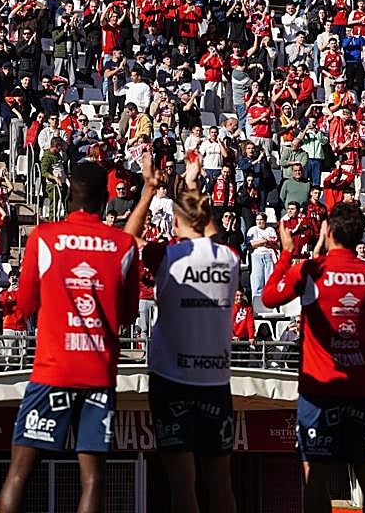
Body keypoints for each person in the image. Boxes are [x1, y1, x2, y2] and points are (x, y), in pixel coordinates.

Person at [0, 161, 140, 513]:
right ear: (106, 198)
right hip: (98, 373)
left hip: (53, 369)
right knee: (93, 480)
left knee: (19, 473)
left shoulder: (44, 237)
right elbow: (128, 315)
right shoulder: (123, 245)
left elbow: (24, 304)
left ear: (69, 195)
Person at [127, 153, 238, 513]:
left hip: (171, 379)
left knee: (182, 484)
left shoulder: (166, 255)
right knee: (221, 484)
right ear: (205, 217)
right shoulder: (230, 257)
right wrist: (192, 184)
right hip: (215, 380)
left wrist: (149, 190)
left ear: (175, 221)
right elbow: (214, 237)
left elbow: (126, 241)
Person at [262, 201, 365, 513]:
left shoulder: (311, 270)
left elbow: (269, 297)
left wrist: (287, 253)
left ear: (327, 231)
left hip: (319, 389)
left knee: (316, 476)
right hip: (359, 388)